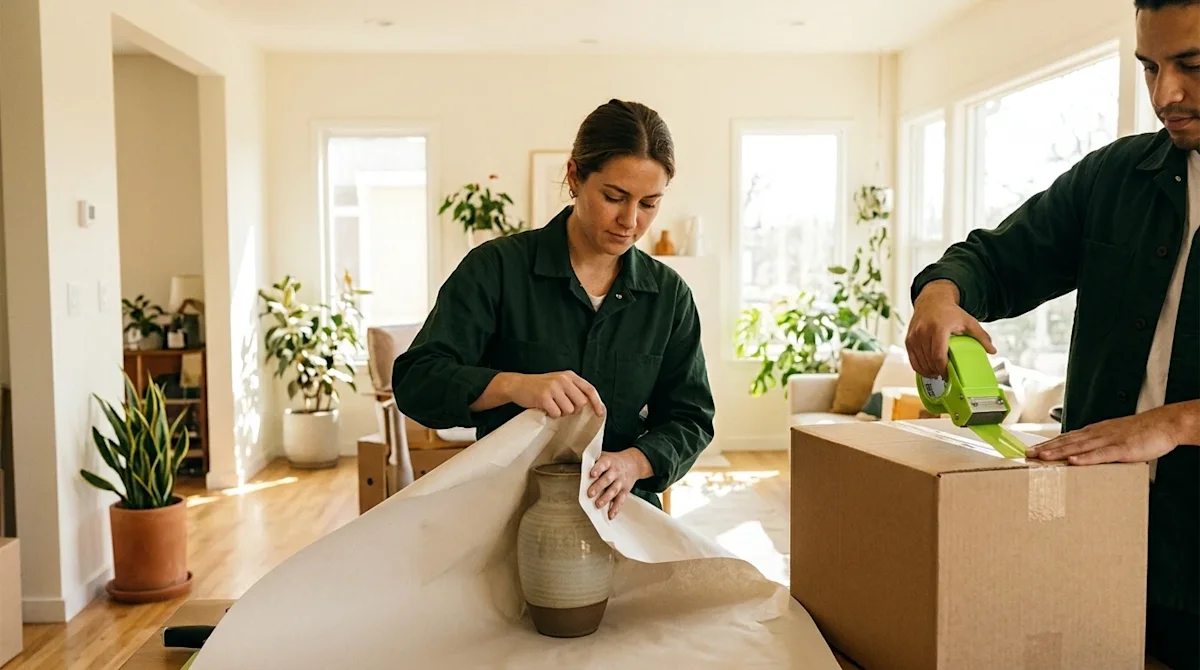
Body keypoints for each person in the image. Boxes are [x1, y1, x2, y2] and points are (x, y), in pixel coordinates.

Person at [906, 1, 1199, 667]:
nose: (1165, 95)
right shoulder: (1113, 178)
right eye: (1150, 67)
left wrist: (1177, 423)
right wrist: (939, 298)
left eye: (1192, 66)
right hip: (1090, 543)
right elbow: (991, 260)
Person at [391, 99, 715, 521]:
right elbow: (417, 381)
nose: (630, 221)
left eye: (649, 203)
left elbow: (691, 419)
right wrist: (513, 385)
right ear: (575, 176)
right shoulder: (496, 269)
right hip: (503, 516)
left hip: (621, 516)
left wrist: (633, 463)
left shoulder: (669, 297)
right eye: (614, 197)